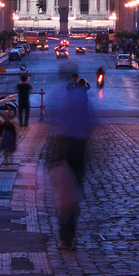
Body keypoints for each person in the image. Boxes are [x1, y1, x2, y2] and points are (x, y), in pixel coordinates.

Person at [46, 64, 96, 251]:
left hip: (63, 147)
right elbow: (92, 123)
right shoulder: (82, 96)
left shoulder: (57, 94)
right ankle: (70, 233)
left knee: (64, 192)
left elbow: (50, 124)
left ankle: (65, 236)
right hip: (80, 148)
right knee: (75, 189)